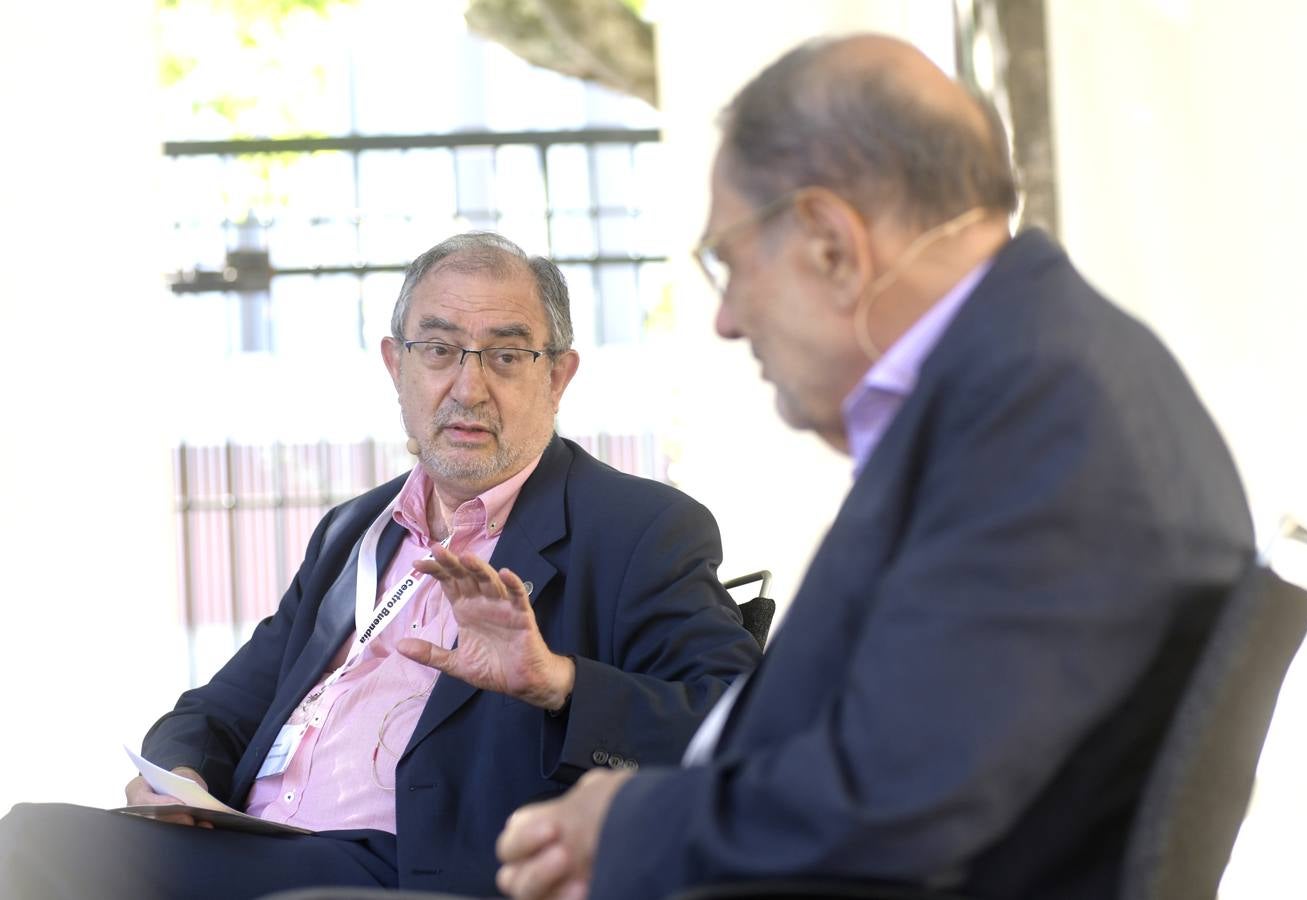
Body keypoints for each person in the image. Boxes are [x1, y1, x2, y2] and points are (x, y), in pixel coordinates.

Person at [493, 33, 1255, 900]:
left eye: (729, 264)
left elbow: (898, 803)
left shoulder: (1040, 413)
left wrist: (626, 825)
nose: (727, 321)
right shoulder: (1030, 376)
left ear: (827, 242)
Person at [0, 232, 761, 898]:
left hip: (413, 871)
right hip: (258, 847)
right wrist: (184, 781)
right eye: (437, 351)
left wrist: (556, 683)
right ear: (396, 365)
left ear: (557, 377)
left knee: (36, 846)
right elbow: (217, 710)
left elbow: (737, 728)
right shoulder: (354, 531)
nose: (467, 387)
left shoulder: (638, 528)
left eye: (504, 354)